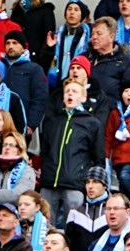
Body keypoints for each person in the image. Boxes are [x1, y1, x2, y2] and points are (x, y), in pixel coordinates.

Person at [40, 80, 104, 228]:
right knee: (44, 228)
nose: (70, 94)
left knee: (74, 229)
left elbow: (98, 157)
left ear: (83, 98)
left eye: (74, 91)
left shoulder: (92, 123)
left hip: (75, 184)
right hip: (50, 183)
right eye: (67, 91)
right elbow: (45, 151)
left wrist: (89, 182)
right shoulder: (52, 121)